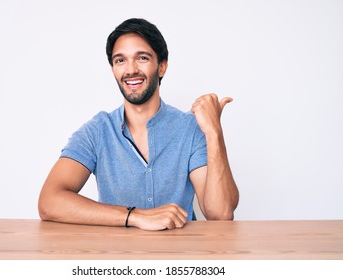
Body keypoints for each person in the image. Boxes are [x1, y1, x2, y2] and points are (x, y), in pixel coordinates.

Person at [38, 18, 239, 231]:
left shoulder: (190, 128)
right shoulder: (97, 130)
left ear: (161, 67)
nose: (130, 70)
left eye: (142, 58)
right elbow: (49, 202)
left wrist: (214, 132)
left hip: (179, 256)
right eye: (120, 60)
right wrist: (135, 216)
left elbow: (220, 213)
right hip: (116, 258)